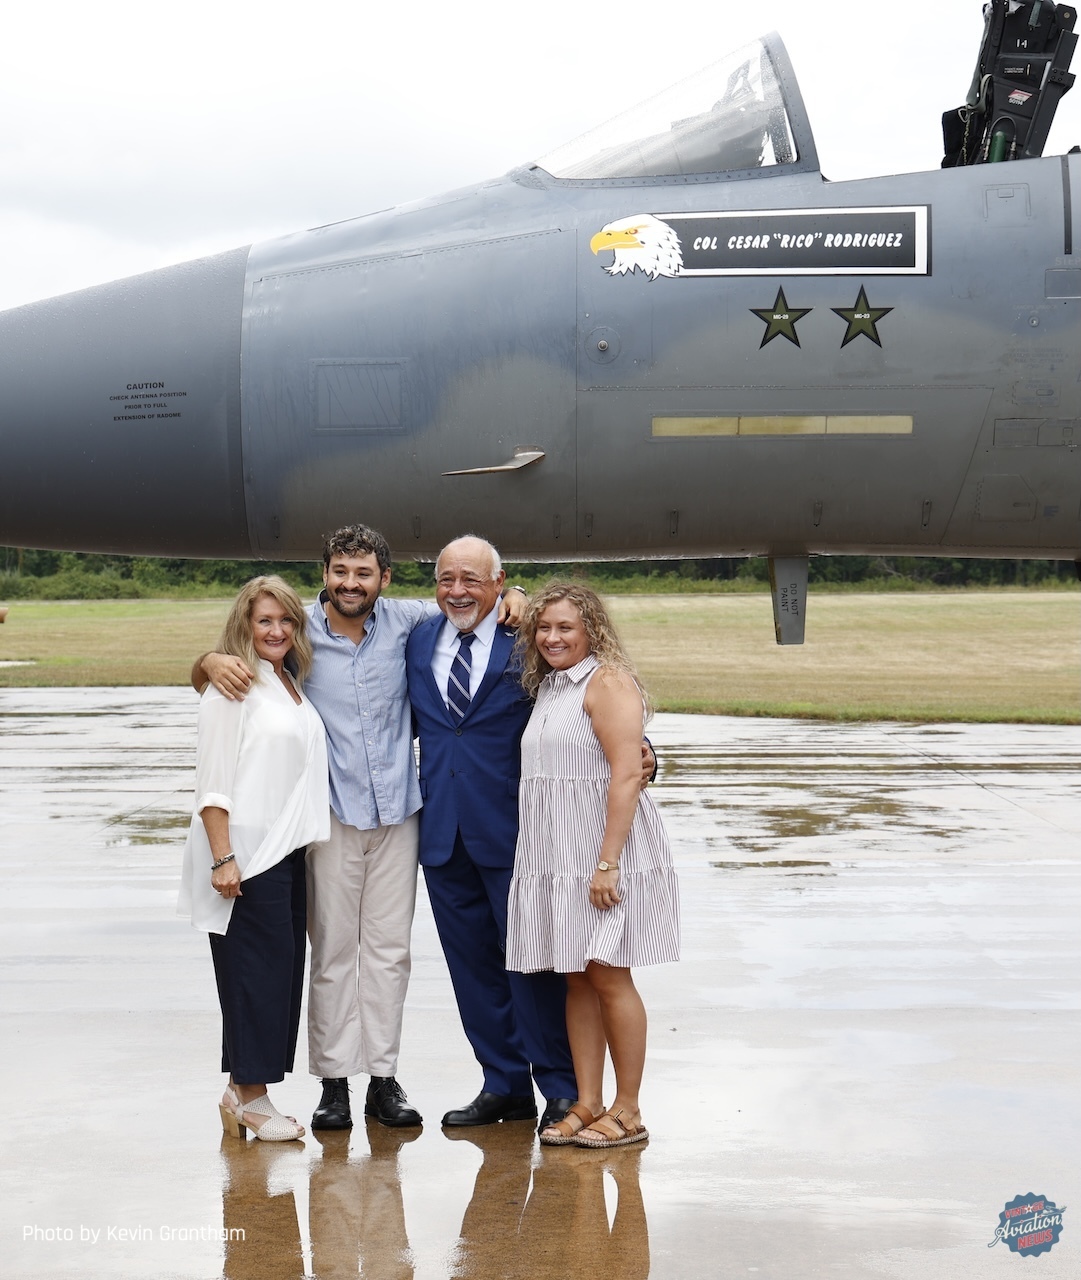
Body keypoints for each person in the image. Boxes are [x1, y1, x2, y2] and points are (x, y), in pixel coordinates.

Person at [194, 524, 524, 1132]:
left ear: (384, 579)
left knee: (390, 954)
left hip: (401, 813)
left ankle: (383, 1079)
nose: (351, 583)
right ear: (324, 575)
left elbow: (470, 599)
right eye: (340, 572)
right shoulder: (298, 632)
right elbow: (239, 657)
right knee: (334, 953)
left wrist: (515, 595)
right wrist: (207, 661)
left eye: (363, 573)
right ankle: (335, 1084)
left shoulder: (409, 622)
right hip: (332, 819)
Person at [405, 537, 577, 1132]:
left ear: (499, 581)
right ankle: (502, 1083)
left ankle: (559, 1086)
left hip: (514, 833)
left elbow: (582, 694)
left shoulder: (528, 638)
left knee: (530, 964)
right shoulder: (418, 638)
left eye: (472, 580)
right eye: (447, 578)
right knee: (471, 968)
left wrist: (639, 747)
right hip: (442, 834)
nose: (458, 591)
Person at [506, 582, 680, 1148]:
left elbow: (629, 771)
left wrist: (607, 862)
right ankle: (587, 1100)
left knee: (608, 974)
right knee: (576, 975)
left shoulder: (605, 681)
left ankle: (628, 1110)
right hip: (556, 852)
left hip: (601, 851)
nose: (552, 637)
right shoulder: (553, 686)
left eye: (566, 628)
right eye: (544, 627)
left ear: (591, 631)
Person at [178, 575, 330, 1142]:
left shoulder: (287, 681)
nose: (276, 630)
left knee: (280, 977)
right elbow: (211, 785)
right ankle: (252, 1099)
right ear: (243, 624)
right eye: (264, 620)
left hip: (285, 854)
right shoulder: (231, 687)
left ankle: (241, 1088)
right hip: (244, 855)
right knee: (252, 978)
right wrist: (223, 858)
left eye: (286, 620)